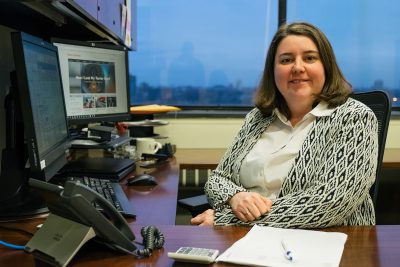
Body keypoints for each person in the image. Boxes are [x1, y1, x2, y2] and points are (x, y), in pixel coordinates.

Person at [191, 22, 378, 228]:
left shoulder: (354, 118)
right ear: (273, 71)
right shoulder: (257, 118)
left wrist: (225, 220)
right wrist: (236, 196)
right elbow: (218, 179)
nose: (298, 67)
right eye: (286, 60)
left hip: (328, 242)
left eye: (309, 58)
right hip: (249, 241)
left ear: (326, 66)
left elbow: (331, 203)